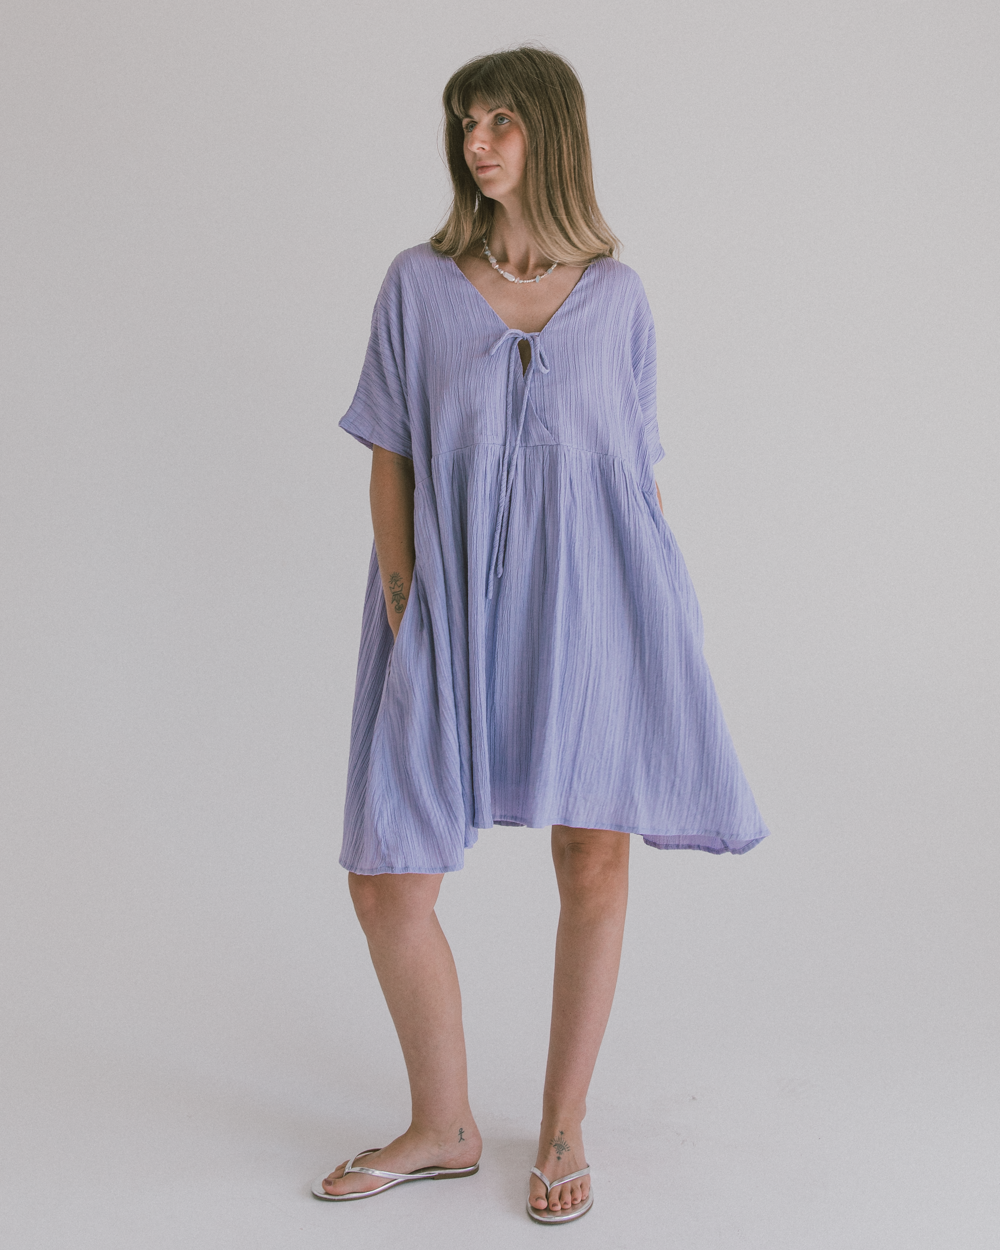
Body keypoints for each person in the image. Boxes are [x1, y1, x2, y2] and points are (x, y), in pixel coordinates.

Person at [313, 46, 770, 1224]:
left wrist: (661, 634)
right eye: (467, 121)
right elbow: (391, 457)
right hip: (445, 610)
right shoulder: (418, 286)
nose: (477, 142)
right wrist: (406, 602)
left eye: (501, 121)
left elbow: (634, 481)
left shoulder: (621, 300)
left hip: (598, 607)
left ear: (551, 133)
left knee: (591, 857)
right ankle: (444, 1121)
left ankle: (563, 1122)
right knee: (387, 877)